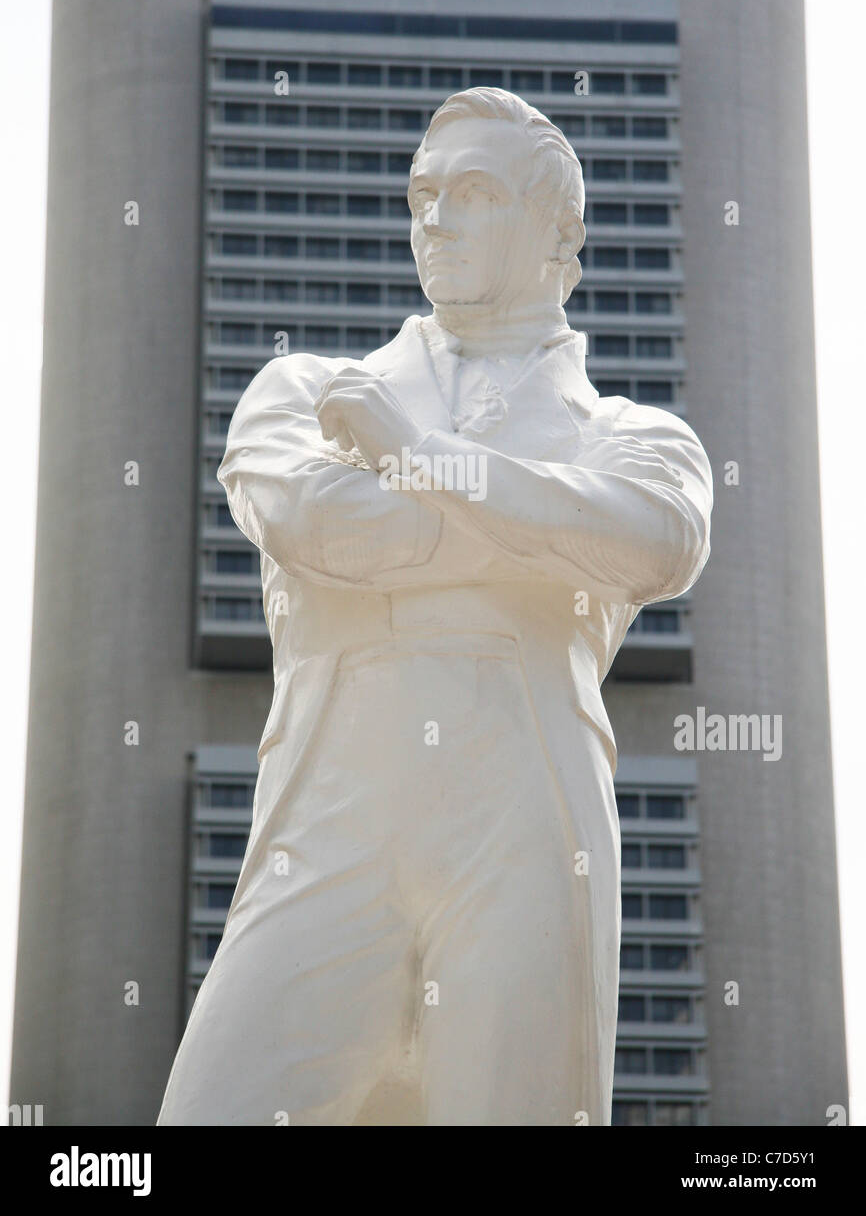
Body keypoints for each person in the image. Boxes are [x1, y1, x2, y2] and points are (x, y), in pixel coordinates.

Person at [157, 87, 712, 1126]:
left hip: (529, 827)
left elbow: (653, 539)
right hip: (327, 821)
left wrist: (417, 458)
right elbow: (326, 524)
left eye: (471, 192)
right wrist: (528, 526)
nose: (433, 219)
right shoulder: (304, 389)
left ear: (559, 234)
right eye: (421, 194)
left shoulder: (637, 436)